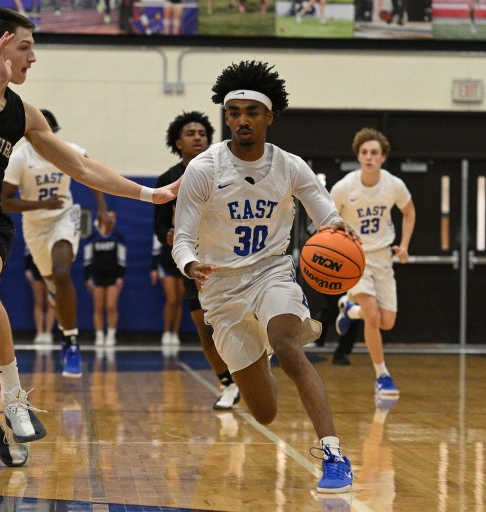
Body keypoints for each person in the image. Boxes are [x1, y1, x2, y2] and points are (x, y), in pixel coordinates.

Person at [0, 8, 178, 468]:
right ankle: (1, 412)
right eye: (25, 47)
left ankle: (16, 397)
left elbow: (80, 167)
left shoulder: (23, 112)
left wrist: (147, 193)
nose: (33, 58)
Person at [172, 60, 356, 493]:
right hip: (220, 288)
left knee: (290, 347)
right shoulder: (203, 169)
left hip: (271, 273)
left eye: (251, 112)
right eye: (233, 113)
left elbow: (324, 213)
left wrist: (336, 227)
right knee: (265, 412)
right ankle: (258, 355)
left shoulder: (290, 166)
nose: (241, 121)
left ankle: (334, 454)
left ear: (269, 116)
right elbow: (181, 238)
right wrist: (190, 264)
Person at [2, 108, 111, 378]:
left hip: (65, 215)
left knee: (62, 272)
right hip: (35, 225)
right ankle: (56, 296)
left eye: (47, 130)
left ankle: (70, 343)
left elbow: (92, 174)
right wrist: (41, 203)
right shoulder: (19, 158)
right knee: (53, 283)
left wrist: (102, 208)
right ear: (27, 134)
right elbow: (2, 202)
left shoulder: (69, 150)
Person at [155, 110, 240, 411]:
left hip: (229, 256)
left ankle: (249, 369)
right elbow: (160, 224)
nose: (197, 137)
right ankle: (227, 383)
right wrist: (167, 234)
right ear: (178, 142)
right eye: (191, 134)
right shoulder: (167, 180)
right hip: (194, 261)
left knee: (239, 321)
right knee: (204, 328)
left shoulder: (225, 172)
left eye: (202, 133)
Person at [331, 127, 415, 396]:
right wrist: (339, 244)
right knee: (373, 314)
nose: (369, 157)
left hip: (383, 257)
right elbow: (328, 218)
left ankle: (348, 309)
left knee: (386, 322)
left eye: (374, 153)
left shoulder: (393, 185)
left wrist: (404, 245)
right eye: (364, 152)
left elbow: (409, 212)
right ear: (358, 156)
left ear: (383, 158)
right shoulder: (344, 187)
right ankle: (382, 376)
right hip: (356, 257)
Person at [83, 211, 125, 347]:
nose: (112, 221)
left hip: (113, 277)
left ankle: (111, 335)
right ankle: (100, 335)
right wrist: (87, 278)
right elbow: (87, 260)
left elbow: (122, 261)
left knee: (111, 306)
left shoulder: (118, 238)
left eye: (114, 219)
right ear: (101, 219)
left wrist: (120, 278)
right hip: (97, 277)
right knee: (98, 307)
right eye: (110, 218)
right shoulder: (92, 238)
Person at [23, 246, 55, 344]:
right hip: (36, 271)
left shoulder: (54, 236)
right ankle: (40, 332)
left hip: (51, 272)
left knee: (50, 302)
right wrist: (28, 271)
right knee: (39, 302)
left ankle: (48, 333)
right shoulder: (32, 235)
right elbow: (27, 257)